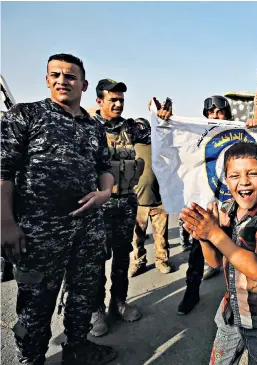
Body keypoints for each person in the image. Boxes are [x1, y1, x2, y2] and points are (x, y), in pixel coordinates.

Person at [1, 53, 116, 365]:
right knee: (35, 306)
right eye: (56, 75)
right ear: (47, 79)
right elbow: (3, 171)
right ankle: (31, 359)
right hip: (39, 232)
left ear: (83, 83)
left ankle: (77, 348)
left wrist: (105, 193)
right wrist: (5, 223)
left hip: (87, 230)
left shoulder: (93, 128)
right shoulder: (25, 115)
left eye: (70, 76)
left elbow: (105, 167)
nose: (62, 81)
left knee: (83, 294)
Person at [180, 142, 257, 365]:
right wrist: (203, 236)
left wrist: (215, 233)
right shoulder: (226, 209)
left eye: (253, 173)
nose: (244, 181)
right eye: (235, 175)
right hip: (230, 313)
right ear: (227, 181)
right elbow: (216, 261)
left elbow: (256, 269)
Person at [154, 95, 230, 315]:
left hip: (230, 205)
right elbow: (171, 144)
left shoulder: (237, 136)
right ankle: (191, 292)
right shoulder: (196, 134)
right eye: (211, 112)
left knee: (236, 249)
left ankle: (237, 299)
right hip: (206, 203)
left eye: (220, 112)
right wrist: (164, 122)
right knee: (198, 249)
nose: (215, 116)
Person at [89, 78, 149, 337]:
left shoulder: (131, 128)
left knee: (122, 258)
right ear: (99, 101)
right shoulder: (87, 128)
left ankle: (119, 302)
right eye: (112, 99)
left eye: (121, 100)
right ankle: (96, 311)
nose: (118, 104)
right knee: (95, 261)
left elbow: (160, 131)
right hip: (98, 207)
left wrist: (162, 117)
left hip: (125, 203)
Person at [128, 117, 172, 277]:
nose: (140, 131)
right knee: (136, 238)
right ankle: (138, 263)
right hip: (137, 202)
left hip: (159, 201)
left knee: (161, 236)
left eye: (143, 128)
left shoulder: (159, 146)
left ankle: (162, 261)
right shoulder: (130, 147)